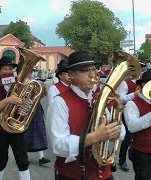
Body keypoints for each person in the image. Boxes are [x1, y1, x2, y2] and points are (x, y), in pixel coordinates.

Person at [47, 51, 124, 179]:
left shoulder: (100, 99)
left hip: (105, 174)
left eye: (93, 70)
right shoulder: (59, 102)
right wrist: (95, 136)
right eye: (84, 71)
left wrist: (117, 117)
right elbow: (58, 146)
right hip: (73, 176)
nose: (92, 75)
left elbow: (121, 134)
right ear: (71, 75)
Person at [0, 56, 30, 180]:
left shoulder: (19, 85)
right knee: (2, 160)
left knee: (23, 161)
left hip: (15, 128)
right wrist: (7, 100)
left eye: (11, 69)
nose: (9, 71)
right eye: (5, 69)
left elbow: (27, 105)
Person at [24, 71, 51, 166]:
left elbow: (42, 95)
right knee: (26, 133)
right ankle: (24, 156)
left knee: (39, 131)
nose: (30, 72)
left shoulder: (35, 81)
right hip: (25, 109)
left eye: (30, 70)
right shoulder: (21, 82)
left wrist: (42, 89)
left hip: (36, 108)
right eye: (28, 70)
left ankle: (41, 157)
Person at [116, 74, 139, 172]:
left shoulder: (140, 83)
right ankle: (122, 160)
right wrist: (134, 94)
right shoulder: (125, 83)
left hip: (138, 110)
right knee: (127, 137)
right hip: (127, 111)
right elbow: (120, 99)